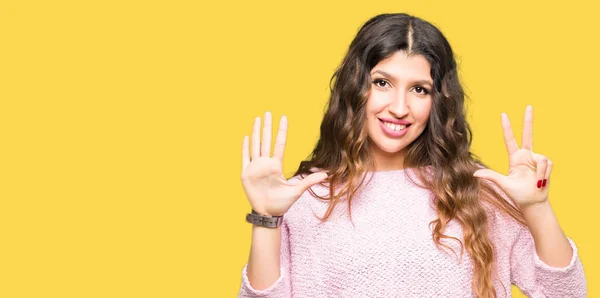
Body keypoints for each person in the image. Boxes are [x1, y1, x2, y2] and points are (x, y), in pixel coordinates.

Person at [237, 13, 587, 297]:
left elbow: (567, 294)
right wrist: (266, 217)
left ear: (439, 101)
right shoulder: (305, 195)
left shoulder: (475, 192)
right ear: (355, 86)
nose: (400, 108)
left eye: (419, 90)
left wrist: (537, 208)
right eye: (382, 83)